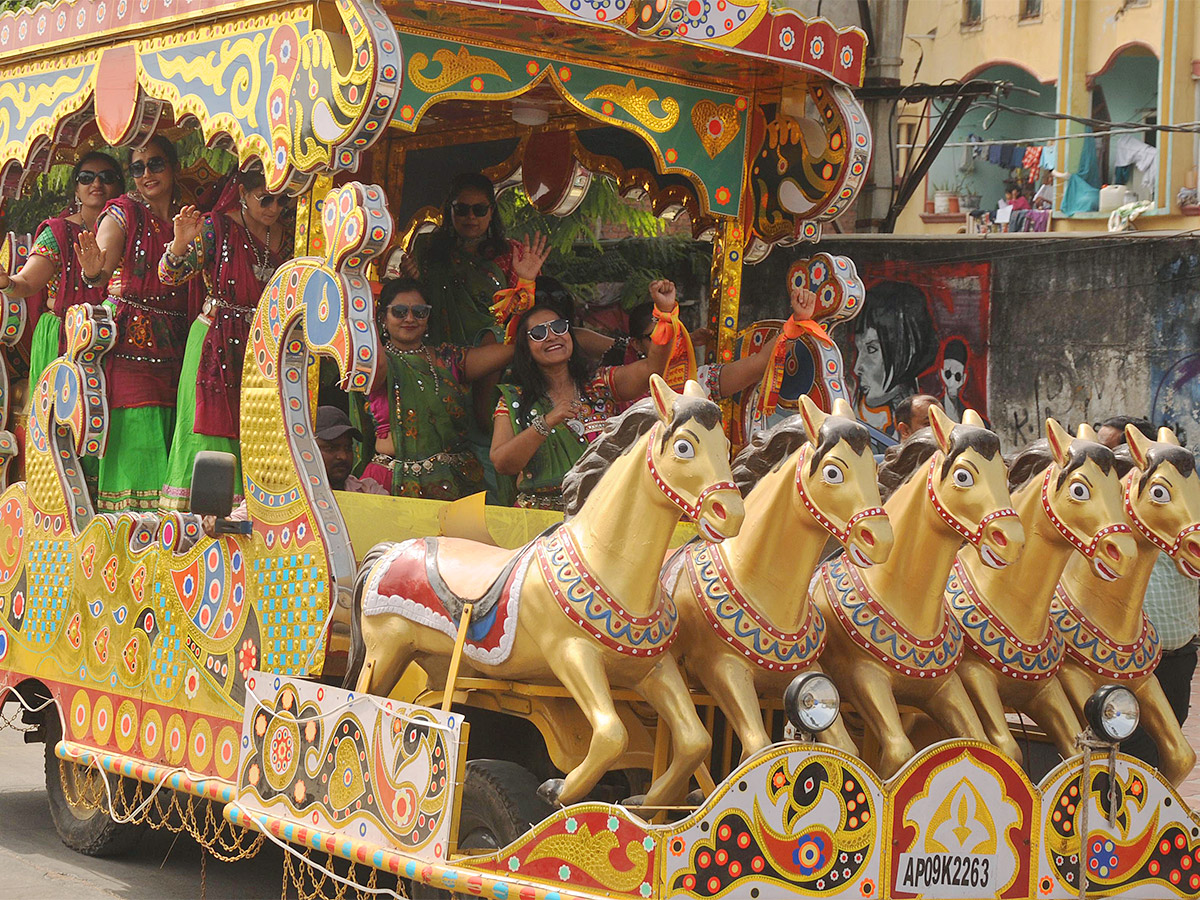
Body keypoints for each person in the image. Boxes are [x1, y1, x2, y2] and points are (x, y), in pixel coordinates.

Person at [157, 170, 292, 510]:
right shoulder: (218, 227)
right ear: (243, 193)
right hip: (213, 341)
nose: (274, 208)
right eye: (266, 199)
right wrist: (178, 244)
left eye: (282, 200)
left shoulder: (289, 237)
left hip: (260, 347)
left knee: (257, 428)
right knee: (209, 430)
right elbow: (170, 275)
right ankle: (198, 522)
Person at [76, 136, 192, 512]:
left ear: (173, 168)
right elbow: (102, 265)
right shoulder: (122, 212)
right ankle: (127, 535)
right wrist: (95, 272)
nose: (147, 174)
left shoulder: (189, 219)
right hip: (129, 345)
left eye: (155, 164)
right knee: (137, 429)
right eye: (138, 168)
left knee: (171, 429)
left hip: (176, 344)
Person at [489, 279, 679, 510]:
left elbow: (653, 369)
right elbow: (502, 463)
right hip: (540, 525)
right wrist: (547, 422)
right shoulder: (514, 400)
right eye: (539, 333)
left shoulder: (601, 383)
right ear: (526, 350)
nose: (551, 336)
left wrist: (665, 313)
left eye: (559, 327)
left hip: (605, 515)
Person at [1094, 417, 1199, 768]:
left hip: (1175, 651)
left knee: (1163, 742)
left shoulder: (1179, 509)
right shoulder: (1104, 514)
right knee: (1123, 743)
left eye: (1112, 452)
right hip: (1122, 655)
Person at [361, 277, 516, 500]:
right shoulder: (378, 362)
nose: (410, 318)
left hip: (457, 481)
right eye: (400, 311)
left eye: (420, 312)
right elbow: (372, 358)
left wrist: (525, 285)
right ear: (383, 317)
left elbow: (514, 349)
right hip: (394, 483)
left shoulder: (447, 359)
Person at [0, 152, 124, 391]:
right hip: (62, 333)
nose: (96, 183)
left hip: (112, 335)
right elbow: (26, 282)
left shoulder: (131, 228)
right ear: (76, 190)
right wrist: (7, 283)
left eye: (106, 177)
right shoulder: (58, 231)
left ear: (120, 186)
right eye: (86, 177)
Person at [205, 406, 385, 535]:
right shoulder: (281, 492)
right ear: (307, 450)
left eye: (347, 448)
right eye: (331, 448)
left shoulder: (368, 490)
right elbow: (242, 517)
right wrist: (219, 524)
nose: (343, 456)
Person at [850, 280, 938, 440]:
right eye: (858, 349)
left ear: (907, 351)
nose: (857, 368)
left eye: (871, 349)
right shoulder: (849, 410)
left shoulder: (916, 416)